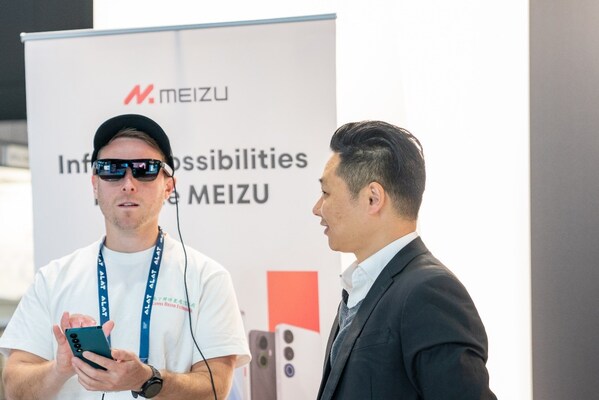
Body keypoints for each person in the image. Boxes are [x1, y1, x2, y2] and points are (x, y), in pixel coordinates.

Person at [0, 114, 250, 399]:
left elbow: (216, 388)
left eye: (145, 169)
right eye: (112, 169)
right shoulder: (53, 278)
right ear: (95, 184)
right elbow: (14, 388)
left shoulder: (207, 278)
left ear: (169, 186)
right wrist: (59, 368)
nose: (128, 183)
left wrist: (147, 379)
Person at [313, 121, 497, 400]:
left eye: (326, 193)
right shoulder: (361, 288)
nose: (317, 208)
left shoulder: (428, 292)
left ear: (373, 198)